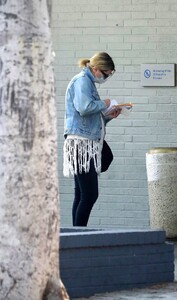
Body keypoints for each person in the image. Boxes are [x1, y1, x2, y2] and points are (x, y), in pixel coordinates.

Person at [63, 52, 121, 226]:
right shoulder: (82, 81)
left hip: (85, 139)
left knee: (81, 194)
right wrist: (106, 103)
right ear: (95, 68)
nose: (106, 78)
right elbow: (84, 108)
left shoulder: (88, 82)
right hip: (81, 143)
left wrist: (110, 115)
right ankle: (79, 235)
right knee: (89, 194)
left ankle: (76, 234)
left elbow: (91, 118)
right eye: (105, 74)